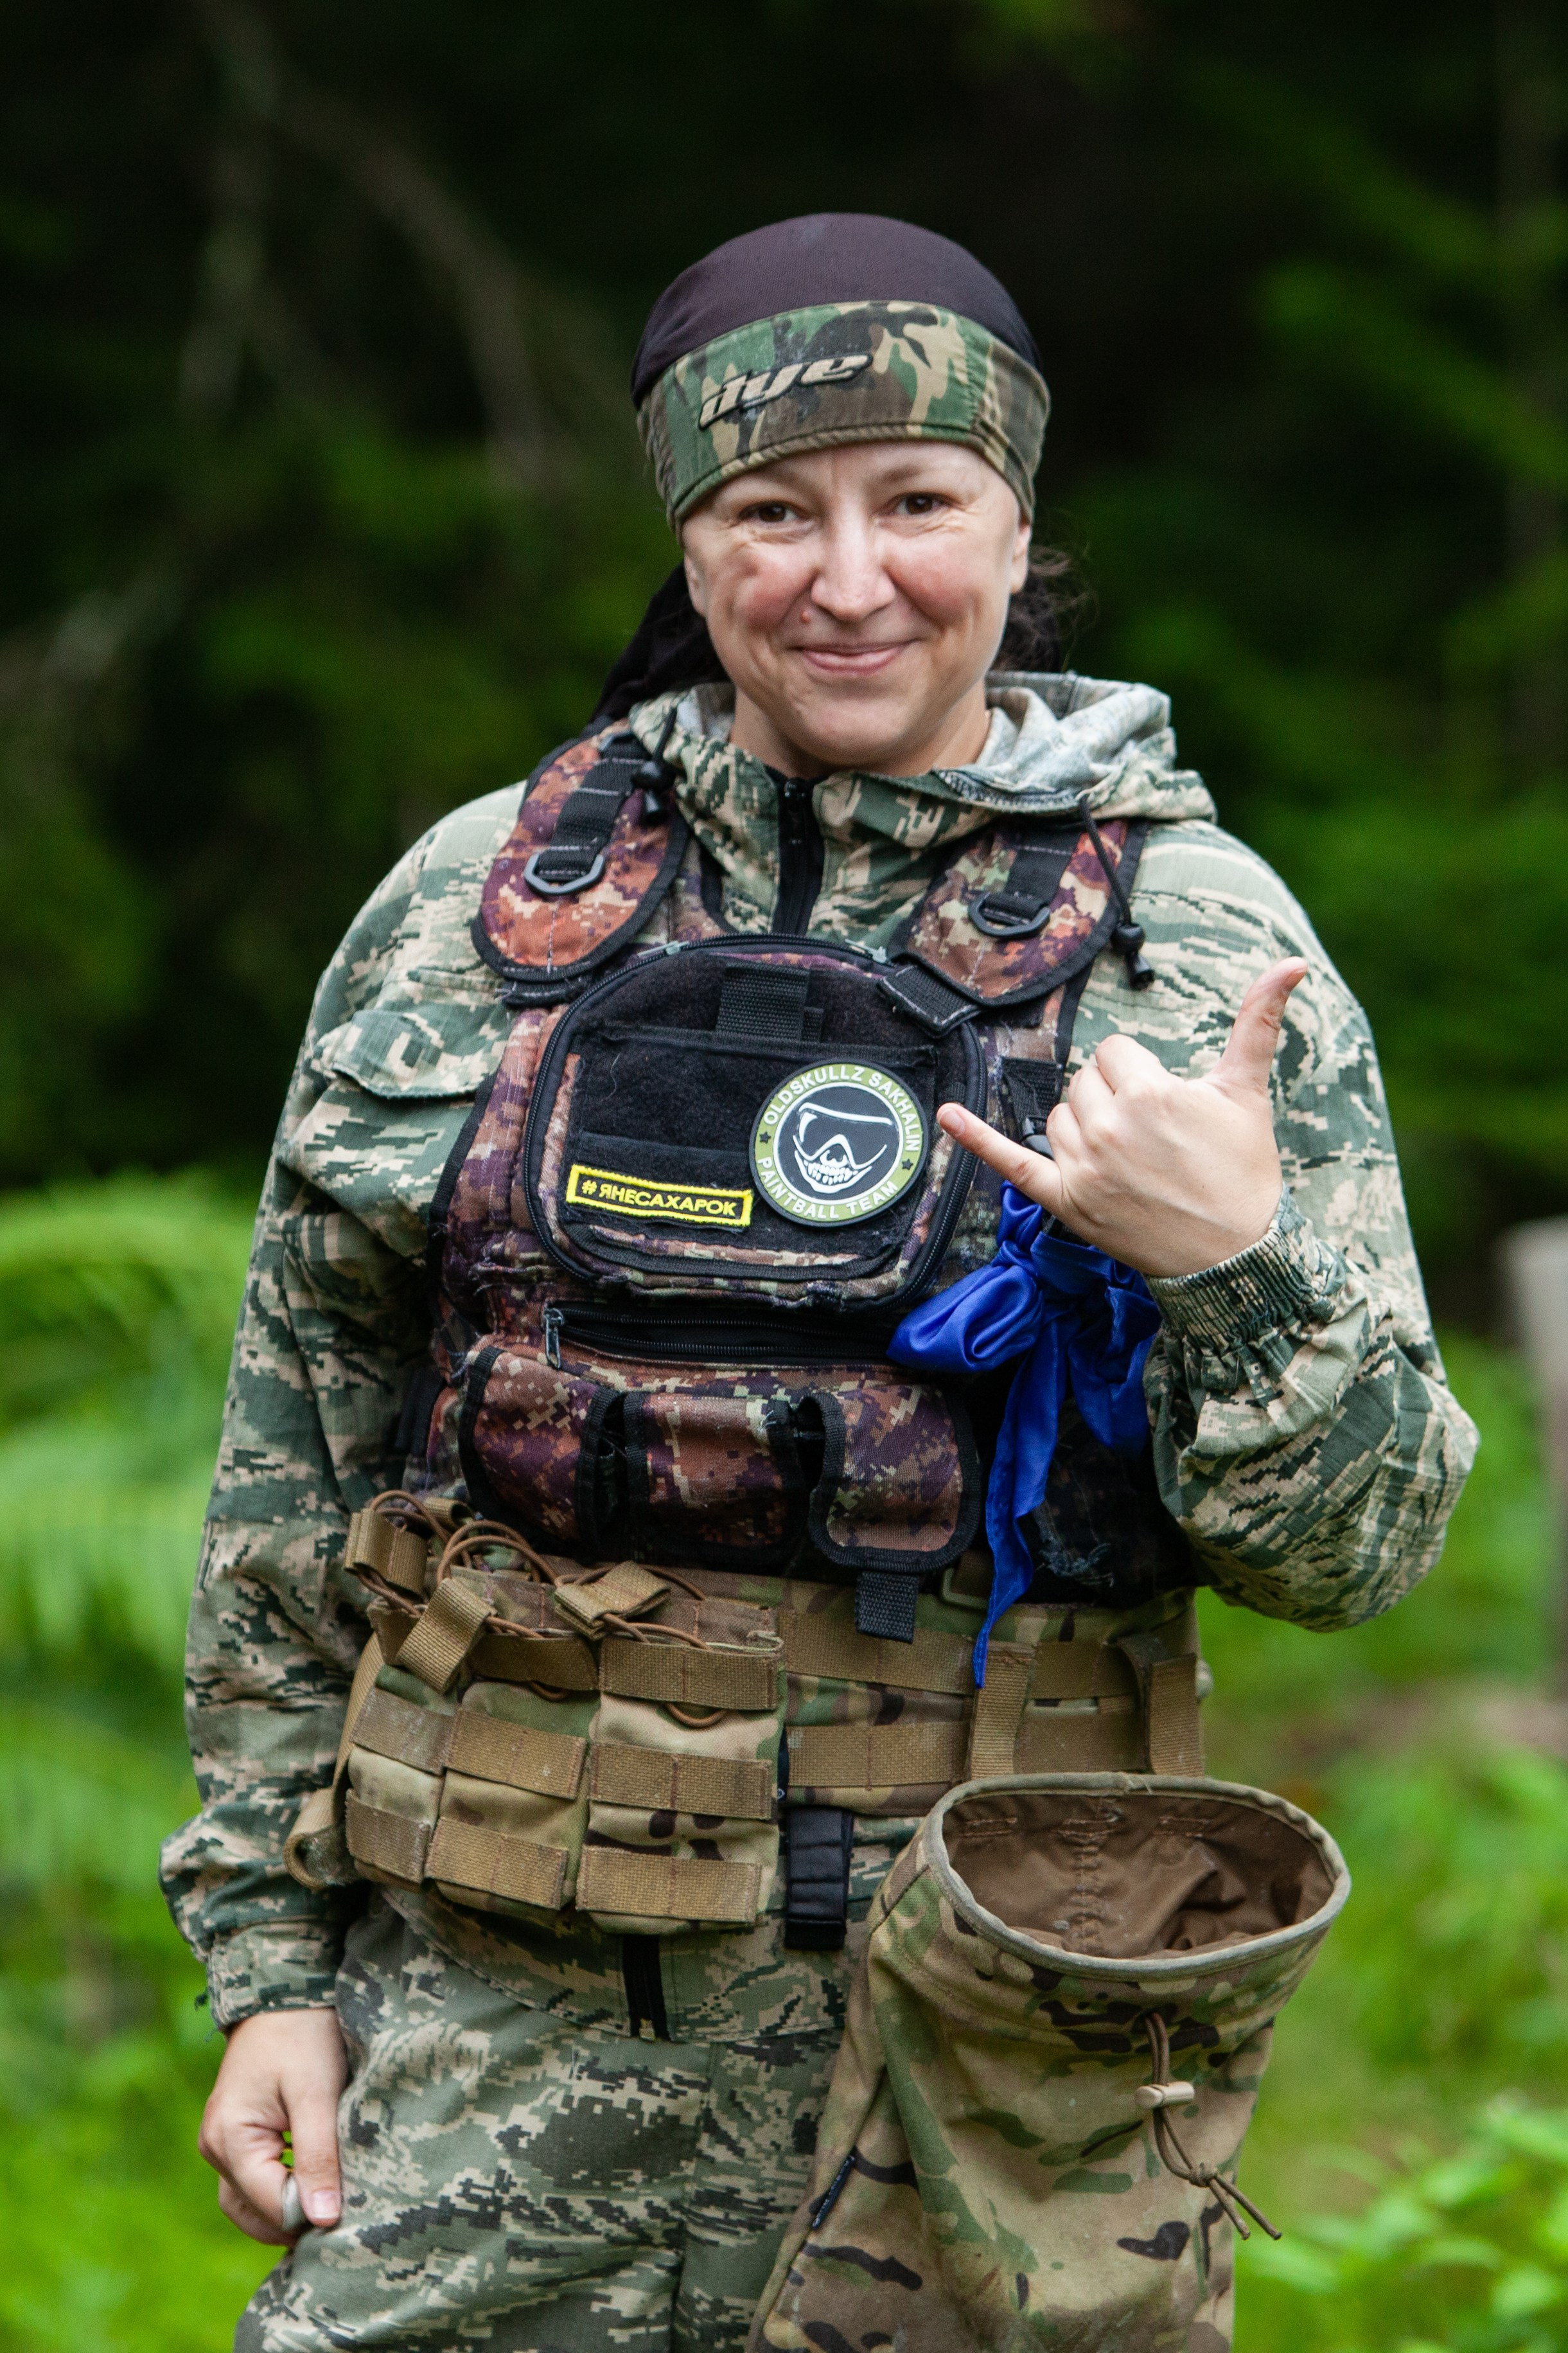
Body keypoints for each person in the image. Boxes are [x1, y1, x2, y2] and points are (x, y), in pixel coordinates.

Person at [162, 213, 1477, 2353]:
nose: (846, 580)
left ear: (1017, 520)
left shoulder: (1199, 943)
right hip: (495, 2041)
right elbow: (292, 1474)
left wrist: (1226, 1267)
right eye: (773, 510)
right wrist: (272, 1975)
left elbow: (1362, 1554)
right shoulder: (471, 913)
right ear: (688, 541)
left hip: (989, 2060)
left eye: (916, 503)